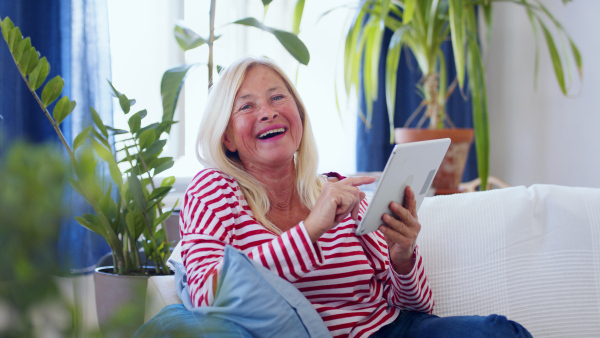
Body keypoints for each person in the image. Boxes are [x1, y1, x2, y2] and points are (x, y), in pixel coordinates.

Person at [179, 56, 532, 337]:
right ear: (226, 138)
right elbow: (207, 296)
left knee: (502, 332)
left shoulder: (337, 190)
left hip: (390, 328)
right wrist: (310, 231)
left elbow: (417, 305)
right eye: (246, 106)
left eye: (277, 97)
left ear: (298, 115)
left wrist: (403, 256)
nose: (267, 112)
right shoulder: (213, 191)